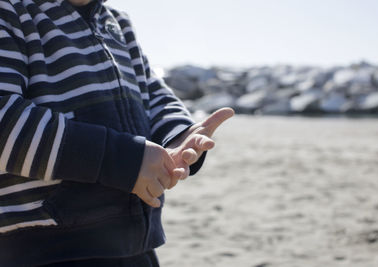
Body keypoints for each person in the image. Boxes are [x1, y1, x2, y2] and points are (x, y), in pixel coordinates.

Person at [0, 0, 234, 265]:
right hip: (49, 247)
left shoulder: (116, 23)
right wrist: (123, 161)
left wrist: (178, 136)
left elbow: (153, 96)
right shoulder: (12, 12)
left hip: (136, 243)